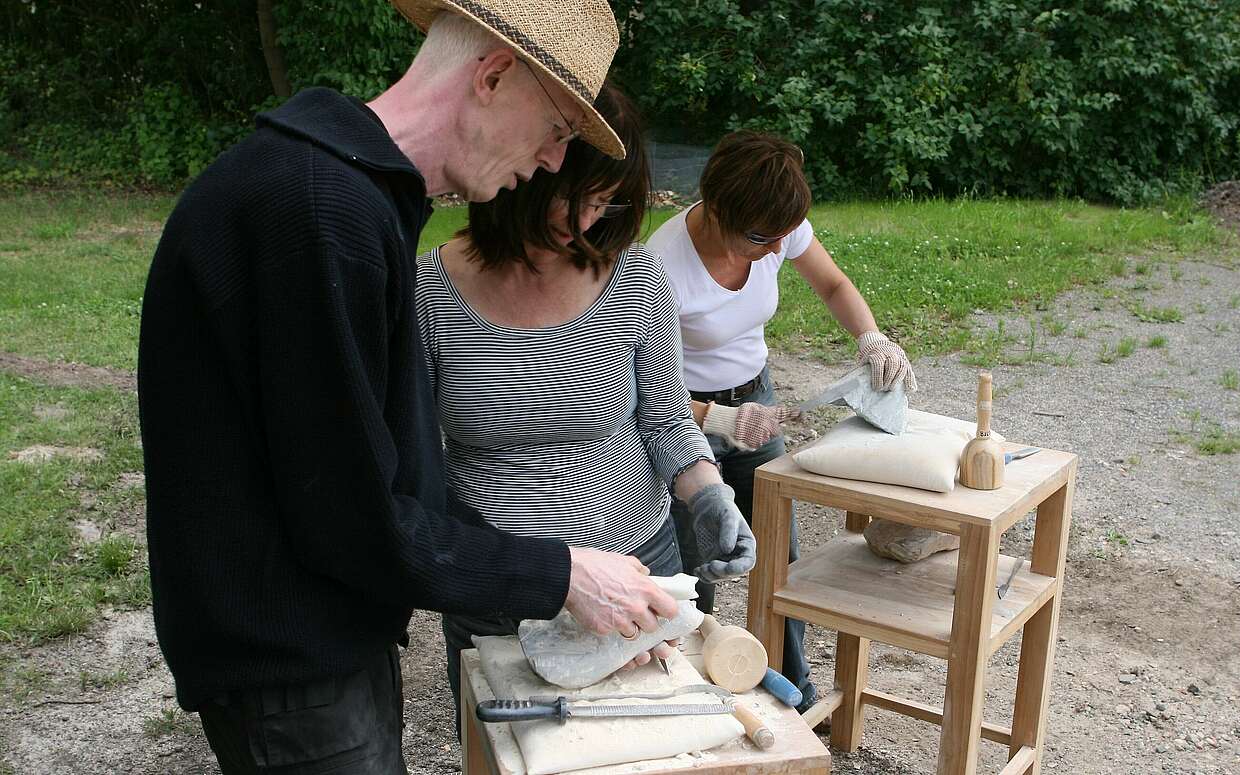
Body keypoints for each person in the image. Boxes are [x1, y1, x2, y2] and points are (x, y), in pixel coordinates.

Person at [137, 3, 680, 772]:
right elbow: (352, 519)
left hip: (323, 642)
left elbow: (383, 466)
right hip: (293, 667)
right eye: (558, 130)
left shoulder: (342, 191)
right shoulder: (323, 214)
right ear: (493, 75)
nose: (557, 164)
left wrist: (545, 565)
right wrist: (557, 574)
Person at [415, 82, 757, 724]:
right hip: (500, 588)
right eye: (574, 198)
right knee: (515, 752)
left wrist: (709, 494)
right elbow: (411, 458)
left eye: (606, 202)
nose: (586, 222)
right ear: (525, 169)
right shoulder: (428, 289)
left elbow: (665, 417)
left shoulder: (634, 273)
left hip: (637, 569)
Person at [647, 130, 917, 714]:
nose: (774, 251)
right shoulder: (661, 262)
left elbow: (833, 283)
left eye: (781, 237)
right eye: (761, 239)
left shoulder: (773, 224)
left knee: (780, 553)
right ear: (717, 210)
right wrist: (715, 419)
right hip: (683, 414)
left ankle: (794, 695)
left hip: (756, 400)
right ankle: (699, 700)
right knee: (700, 563)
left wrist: (871, 338)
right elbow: (638, 385)